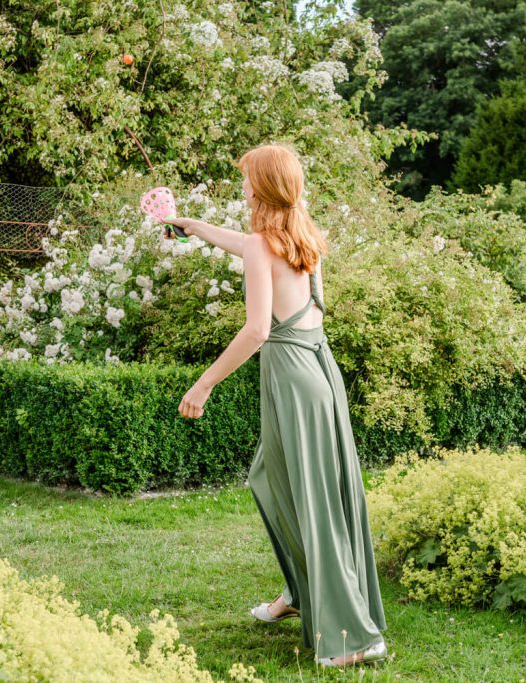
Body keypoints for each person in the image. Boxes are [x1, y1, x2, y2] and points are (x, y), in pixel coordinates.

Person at [166, 145, 387, 667]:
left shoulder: (264, 246)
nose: (242, 188)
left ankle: (353, 636)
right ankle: (300, 593)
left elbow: (258, 329)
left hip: (292, 377)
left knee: (315, 503)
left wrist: (203, 385)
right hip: (320, 373)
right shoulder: (302, 235)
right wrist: (196, 226)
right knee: (273, 478)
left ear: (262, 189)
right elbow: (249, 247)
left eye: (246, 181)